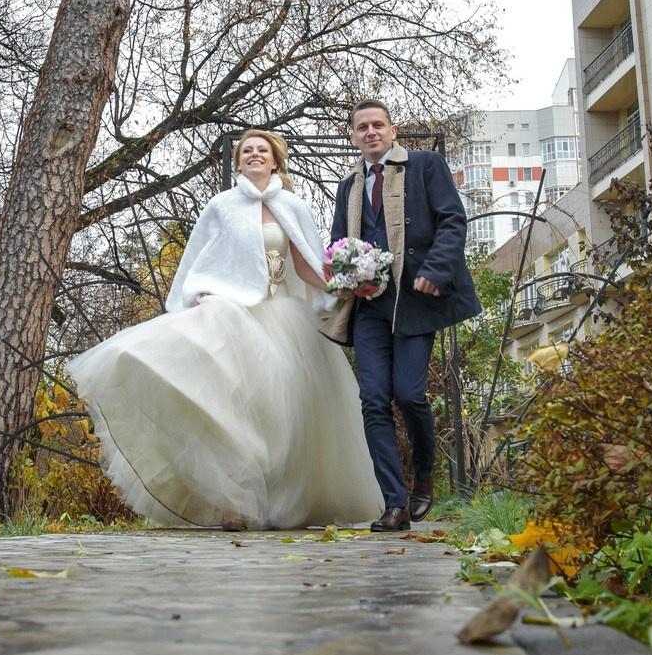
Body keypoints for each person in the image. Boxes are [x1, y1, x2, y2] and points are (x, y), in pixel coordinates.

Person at [67, 130, 382, 531]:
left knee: (282, 413)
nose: (253, 155)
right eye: (246, 151)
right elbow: (200, 257)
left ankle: (281, 502)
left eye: (261, 151)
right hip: (232, 312)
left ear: (275, 161)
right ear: (237, 163)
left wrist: (345, 284)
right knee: (233, 407)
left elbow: (306, 264)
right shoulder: (221, 206)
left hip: (283, 316)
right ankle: (235, 505)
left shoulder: (293, 206)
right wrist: (197, 293)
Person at [326, 99, 481, 532]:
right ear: (353, 137)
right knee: (373, 398)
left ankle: (424, 475)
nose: (371, 132)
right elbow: (342, 241)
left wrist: (434, 270)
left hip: (415, 298)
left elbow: (453, 220)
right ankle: (394, 503)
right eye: (362, 127)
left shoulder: (425, 165)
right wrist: (345, 276)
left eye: (379, 125)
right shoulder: (348, 187)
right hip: (369, 307)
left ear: (392, 132)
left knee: (410, 395)